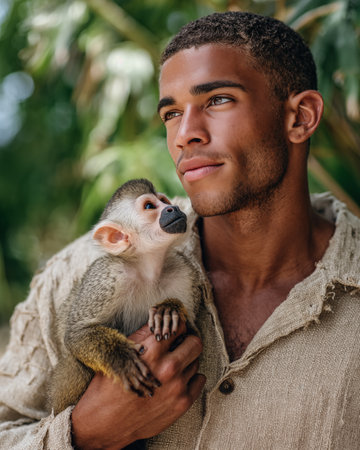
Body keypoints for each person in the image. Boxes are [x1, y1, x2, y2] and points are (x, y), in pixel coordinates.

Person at [1, 11, 360, 449]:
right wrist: (86, 433)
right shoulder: (75, 274)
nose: (184, 135)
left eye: (218, 100)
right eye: (171, 112)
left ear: (300, 117)